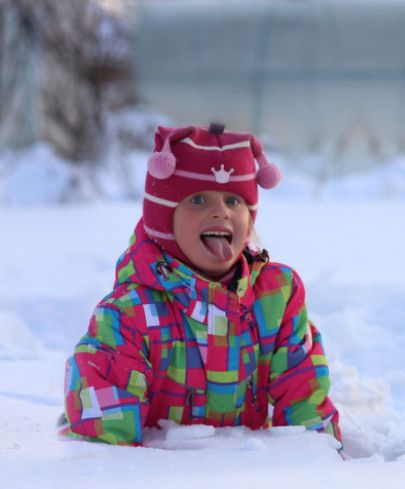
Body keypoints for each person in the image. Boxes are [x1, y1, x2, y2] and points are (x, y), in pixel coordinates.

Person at [61, 123, 340, 446]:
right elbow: (106, 443)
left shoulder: (276, 296)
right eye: (197, 200)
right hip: (159, 481)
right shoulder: (128, 314)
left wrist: (322, 466)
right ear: (164, 220)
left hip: (256, 481)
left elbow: (304, 395)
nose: (220, 212)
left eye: (234, 201)